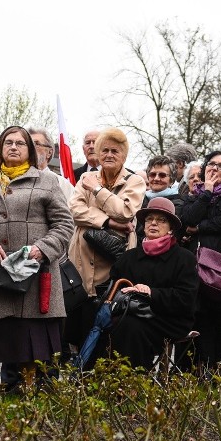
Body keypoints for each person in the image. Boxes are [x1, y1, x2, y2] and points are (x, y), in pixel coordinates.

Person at [0, 127, 74, 393]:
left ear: (30, 150)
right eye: (8, 142)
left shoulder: (46, 181)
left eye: (20, 143)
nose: (14, 147)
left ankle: (30, 392)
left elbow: (65, 224)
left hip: (33, 271)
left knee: (29, 337)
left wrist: (43, 249)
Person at [67, 128, 145, 350]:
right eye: (105, 150)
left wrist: (98, 190)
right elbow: (74, 210)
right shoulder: (85, 177)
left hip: (113, 264)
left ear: (124, 156)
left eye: (115, 151)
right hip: (81, 264)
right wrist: (108, 222)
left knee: (108, 328)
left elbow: (125, 211)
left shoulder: (135, 181)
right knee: (80, 328)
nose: (109, 155)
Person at [109, 198, 198, 369]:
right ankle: (100, 378)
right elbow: (114, 288)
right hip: (131, 313)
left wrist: (151, 292)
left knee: (131, 327)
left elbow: (186, 298)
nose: (154, 223)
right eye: (150, 219)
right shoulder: (129, 257)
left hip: (169, 319)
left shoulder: (184, 258)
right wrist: (127, 292)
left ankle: (134, 383)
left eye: (161, 220)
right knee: (107, 322)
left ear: (171, 227)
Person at [180, 150, 221, 370]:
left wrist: (200, 227)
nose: (214, 168)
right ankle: (206, 373)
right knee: (203, 319)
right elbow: (187, 217)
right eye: (211, 163)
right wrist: (206, 192)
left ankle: (220, 373)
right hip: (198, 269)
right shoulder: (197, 194)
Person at [136, 155, 184, 245]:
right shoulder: (140, 199)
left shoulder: (178, 204)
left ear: (172, 181)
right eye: (152, 174)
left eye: (162, 175)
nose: (156, 179)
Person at [28, 126, 74, 201]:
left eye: (36, 144)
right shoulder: (15, 180)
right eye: (28, 144)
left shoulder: (61, 184)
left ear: (49, 152)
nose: (31, 148)